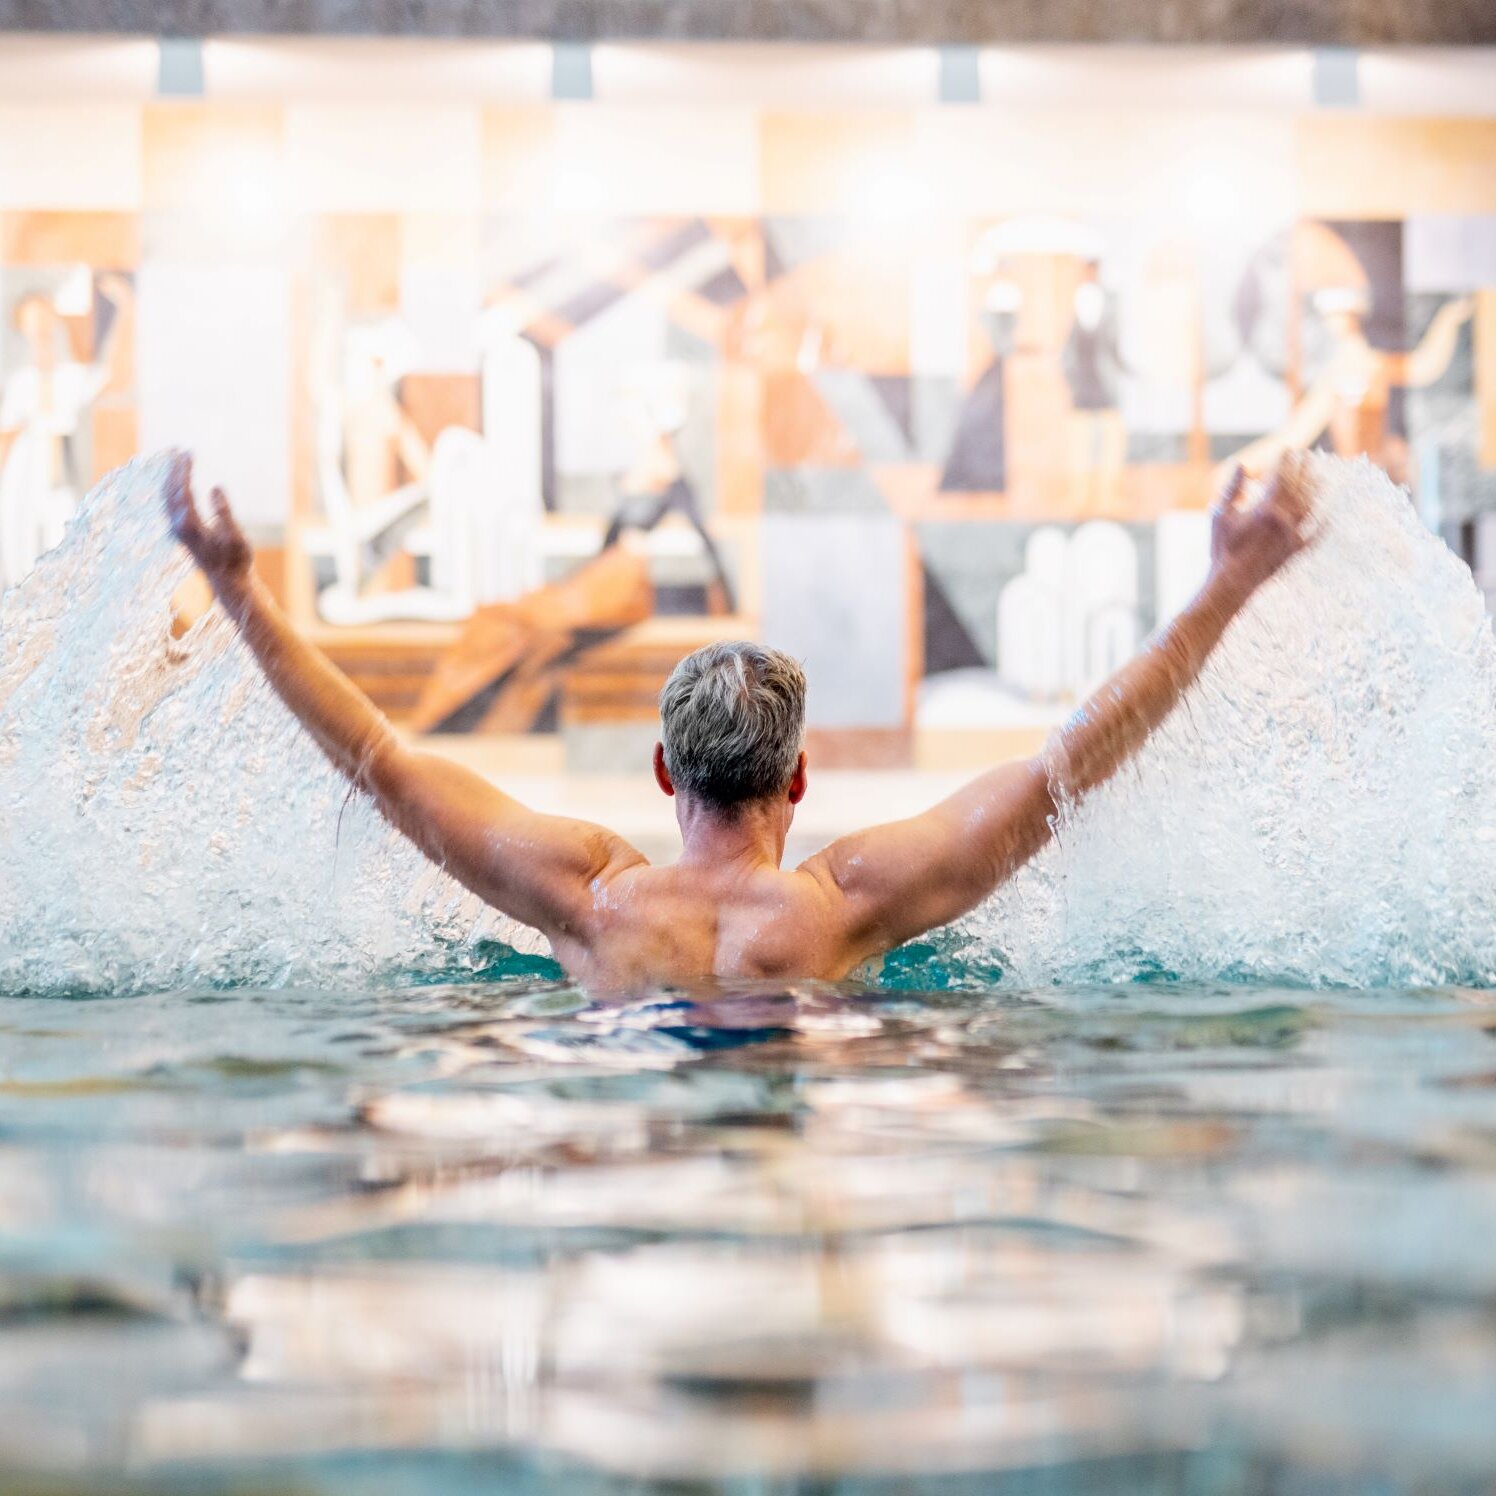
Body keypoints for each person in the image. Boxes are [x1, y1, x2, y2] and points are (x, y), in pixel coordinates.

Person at [166, 451, 1316, 990]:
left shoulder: (588, 898)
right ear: (800, 779)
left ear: (665, 772)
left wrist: (236, 588)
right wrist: (1230, 581)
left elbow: (378, 757)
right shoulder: (844, 906)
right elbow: (1069, 765)